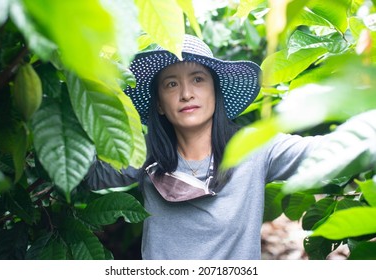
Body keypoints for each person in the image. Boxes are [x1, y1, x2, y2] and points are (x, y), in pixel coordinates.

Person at [86, 34, 320, 259]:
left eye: (198, 79)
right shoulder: (146, 154)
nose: (186, 94)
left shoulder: (253, 147)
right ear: (159, 104)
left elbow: (327, 152)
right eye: (171, 84)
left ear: (215, 93)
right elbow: (86, 174)